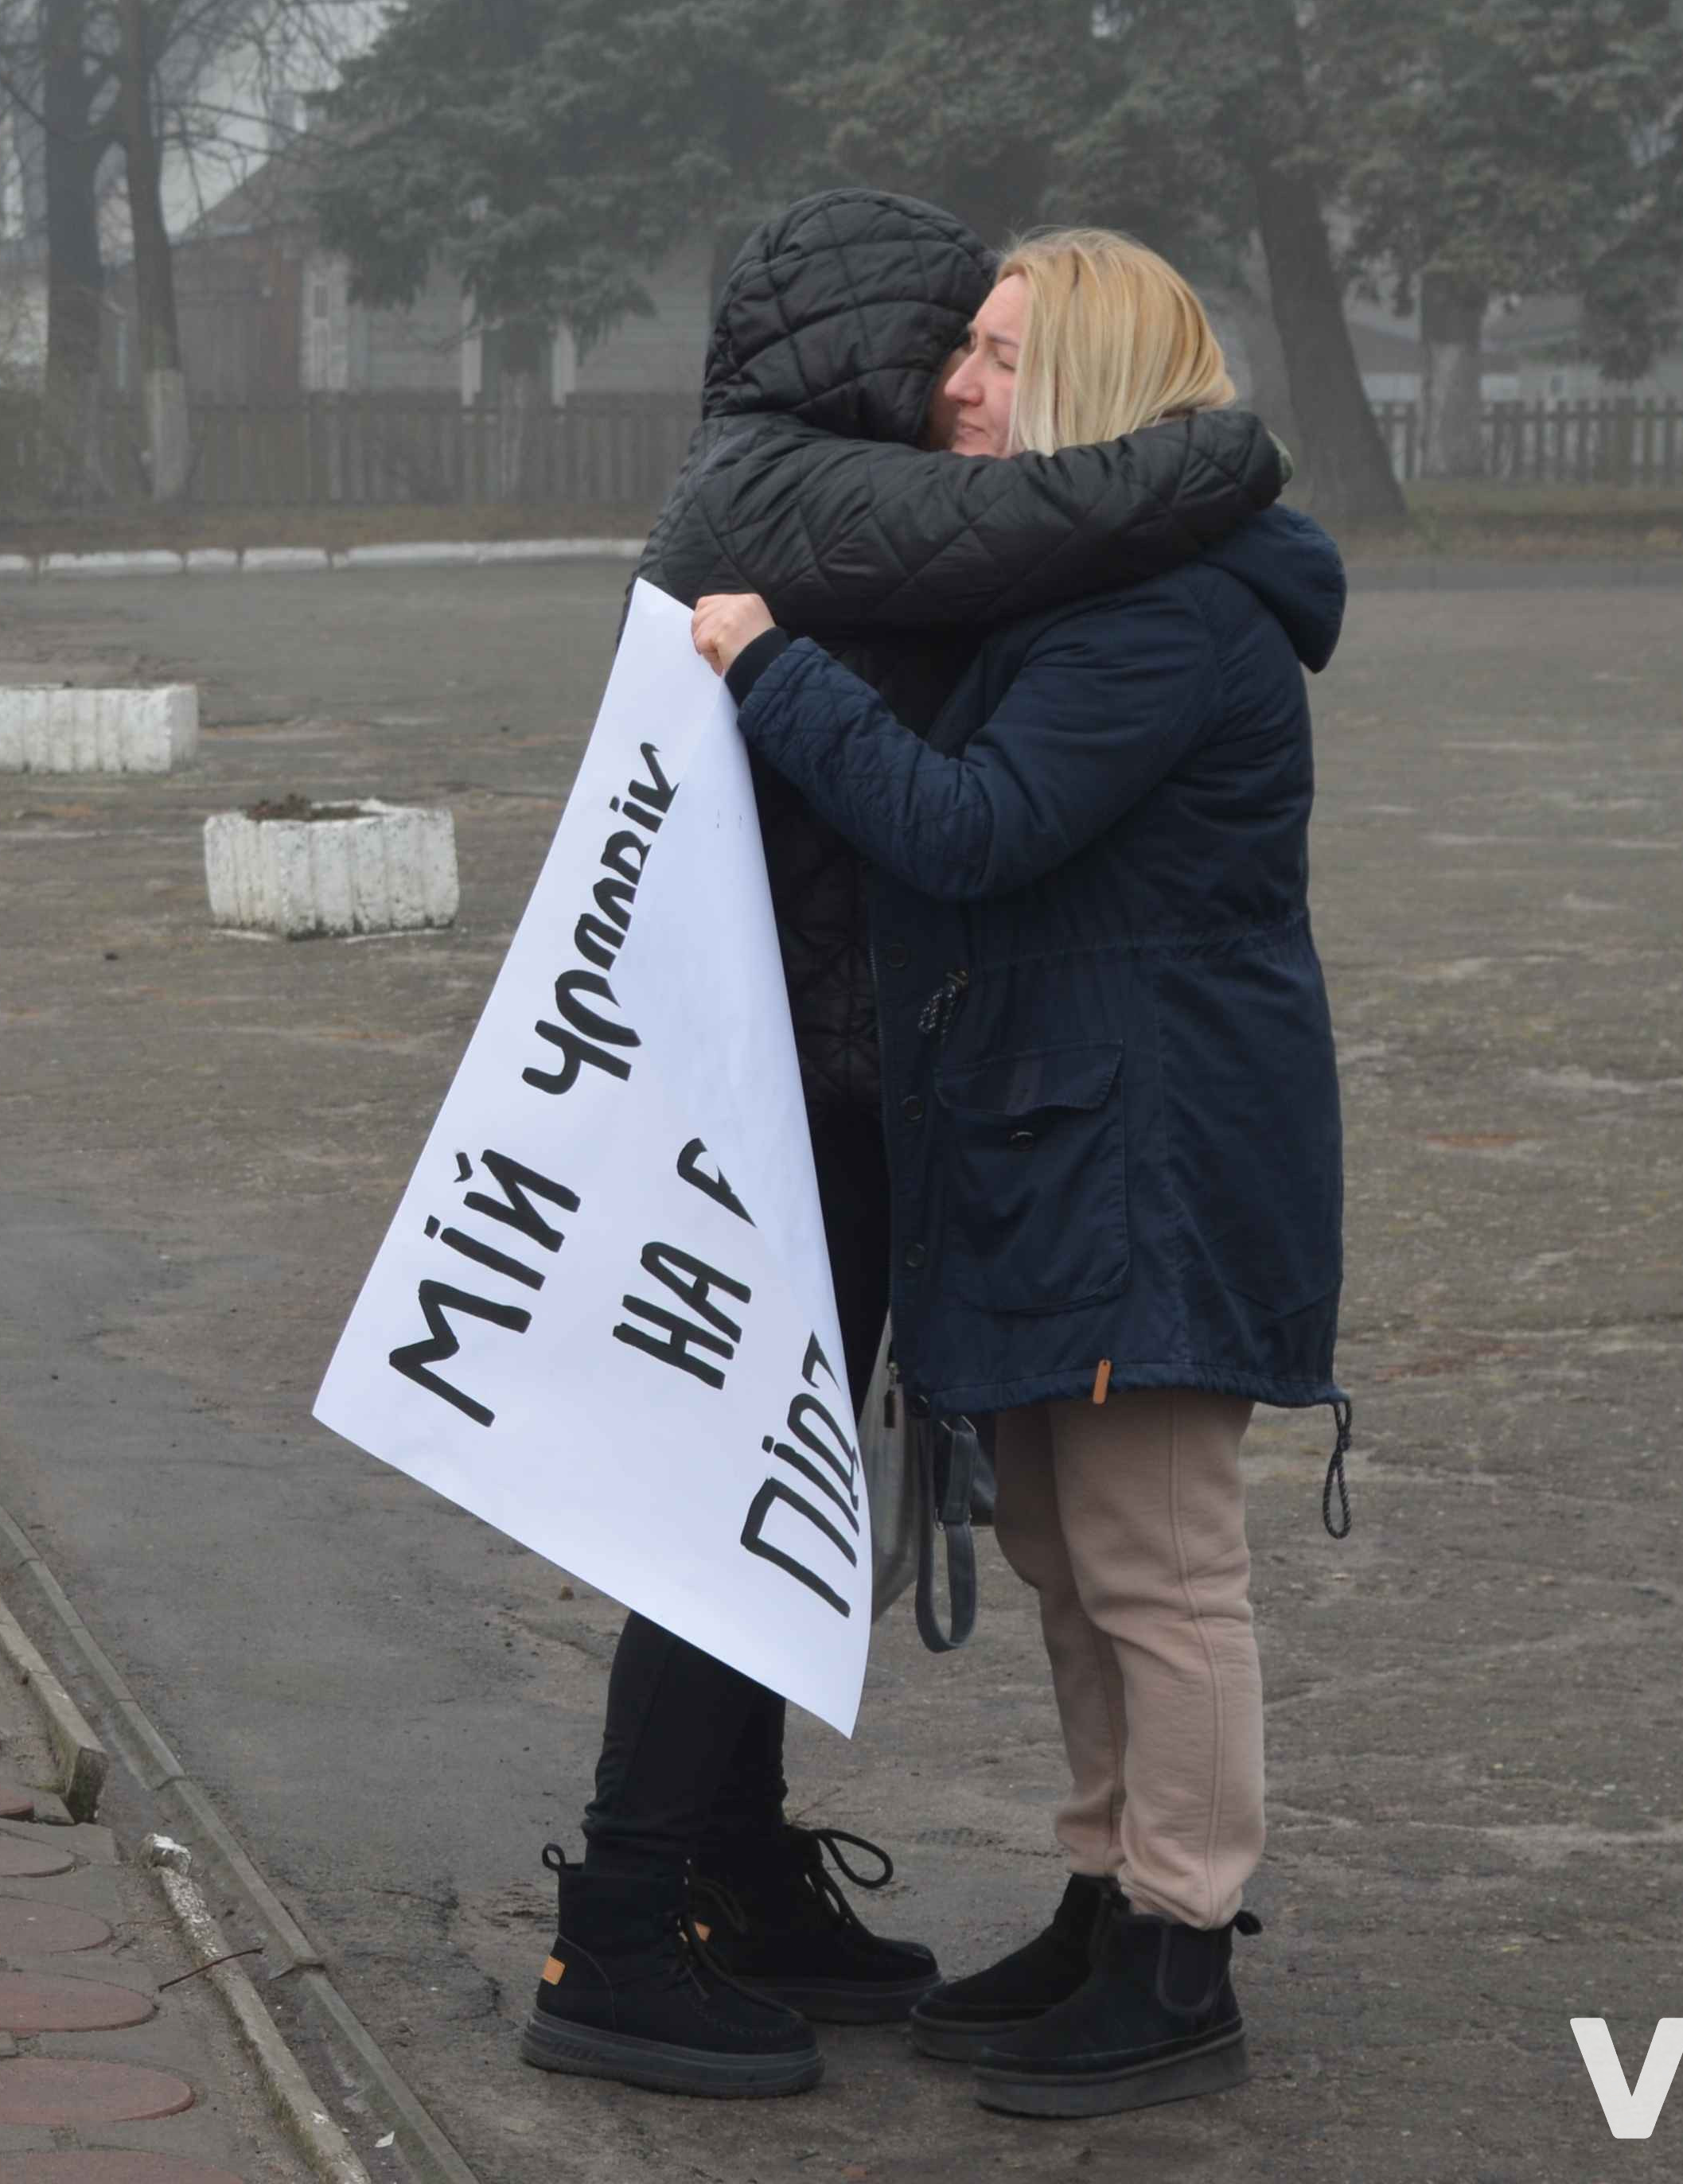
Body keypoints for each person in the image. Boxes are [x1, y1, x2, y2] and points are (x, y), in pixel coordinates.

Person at [518, 189, 1291, 2100]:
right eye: (946, 338)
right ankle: (635, 1911)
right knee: (768, 1491)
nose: (960, 376)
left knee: (1035, 1531)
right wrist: (1211, 450)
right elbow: (1040, 541)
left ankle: (774, 1880)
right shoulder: (792, 490)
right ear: (861, 344)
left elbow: (985, 785)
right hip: (800, 1078)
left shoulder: (1080, 582)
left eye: (1001, 348)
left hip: (918, 1088)